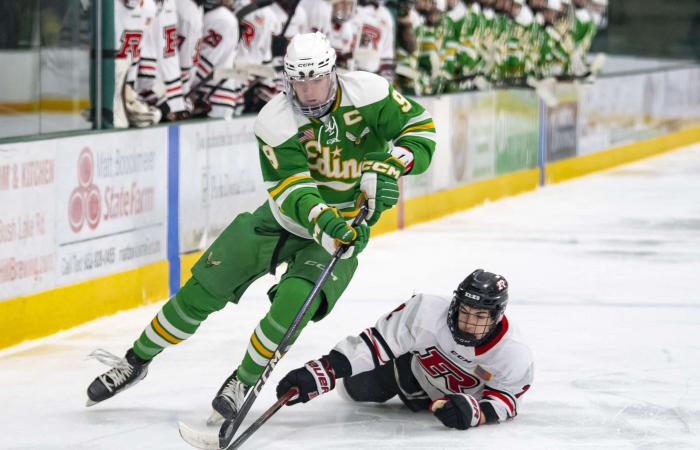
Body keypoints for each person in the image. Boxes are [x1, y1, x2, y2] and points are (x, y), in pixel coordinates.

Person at [85, 31, 436, 427]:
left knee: (291, 309)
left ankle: (243, 380)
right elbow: (292, 189)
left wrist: (396, 162)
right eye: (299, 83)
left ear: (332, 74)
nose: (309, 92)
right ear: (288, 81)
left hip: (342, 236)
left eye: (316, 80)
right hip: (282, 221)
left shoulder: (369, 92)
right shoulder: (274, 119)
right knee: (202, 290)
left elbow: (420, 128)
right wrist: (325, 220)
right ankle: (136, 360)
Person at [276, 269, 534, 430]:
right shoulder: (426, 311)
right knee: (355, 391)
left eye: (479, 316)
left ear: (496, 316)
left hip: (451, 402)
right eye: (464, 311)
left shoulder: (513, 353)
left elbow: (506, 398)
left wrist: (477, 413)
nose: (467, 322)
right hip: (408, 373)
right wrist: (324, 371)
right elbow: (377, 343)